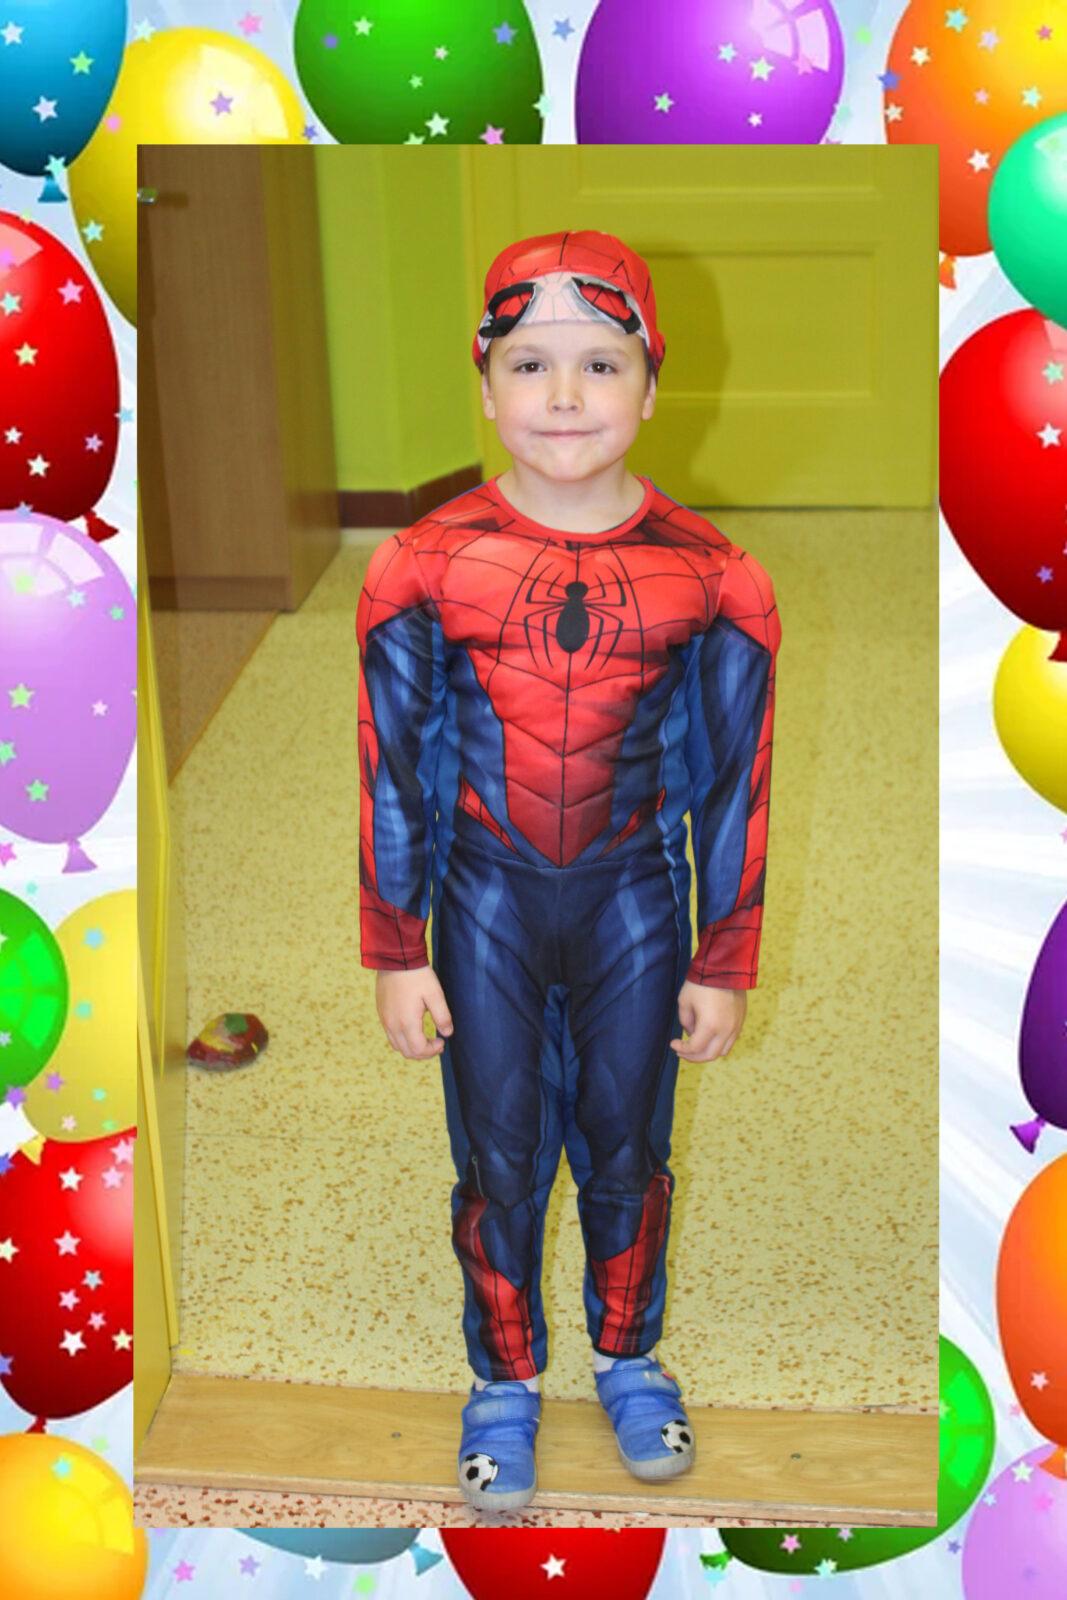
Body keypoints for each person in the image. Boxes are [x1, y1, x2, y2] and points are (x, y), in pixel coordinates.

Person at [356, 229, 781, 1511]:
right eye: (528, 363)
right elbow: (393, 766)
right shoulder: (417, 565)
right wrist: (395, 945)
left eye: (599, 363)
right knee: (495, 1155)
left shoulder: (719, 579)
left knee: (625, 1147)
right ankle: (502, 1377)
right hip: (480, 903)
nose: (560, 395)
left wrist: (724, 954)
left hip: (633, 905)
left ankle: (627, 1353)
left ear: (650, 383)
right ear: (483, 382)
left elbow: (734, 781)